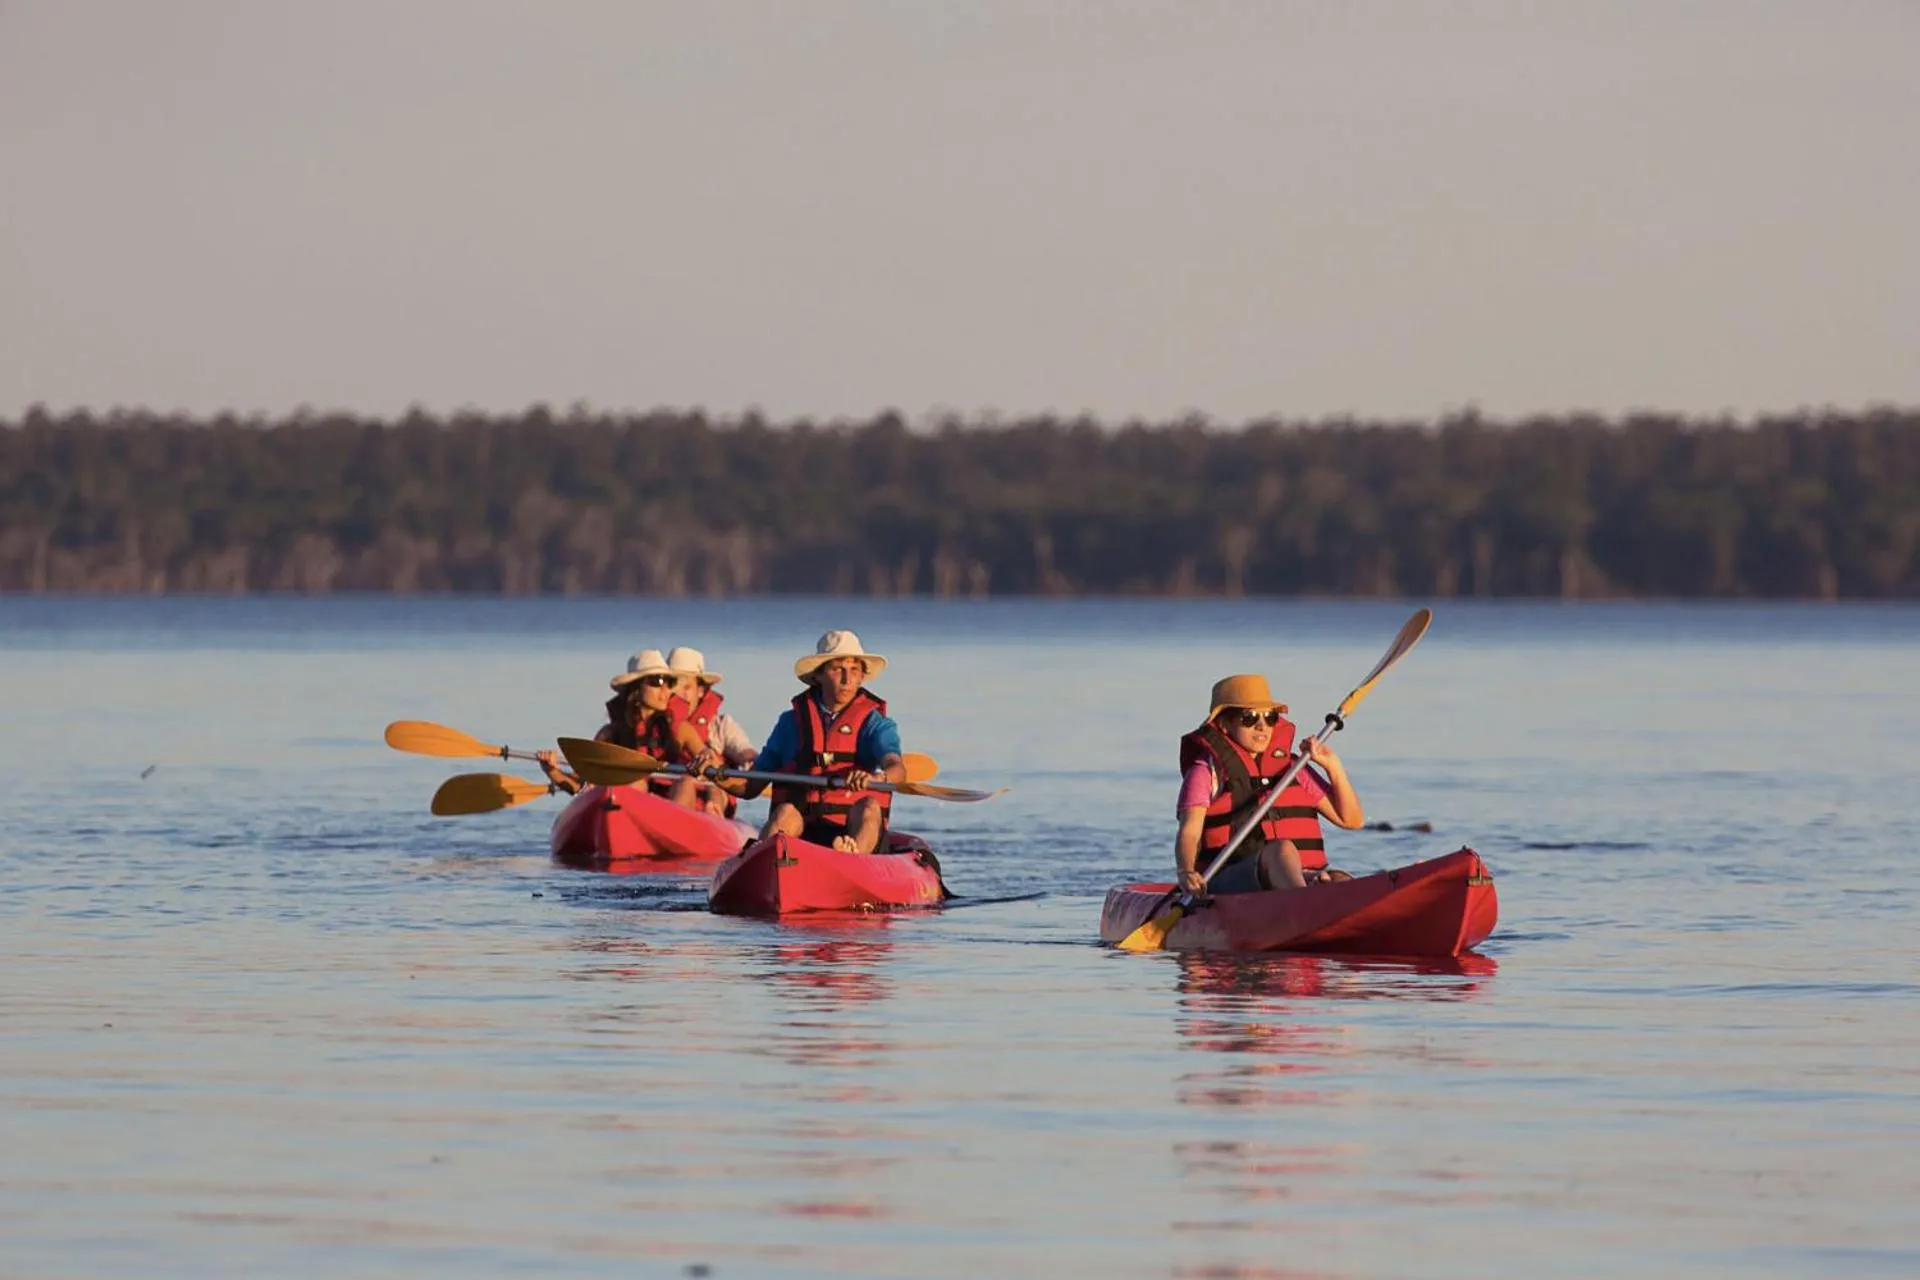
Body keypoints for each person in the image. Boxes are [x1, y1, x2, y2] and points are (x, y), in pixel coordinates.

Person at [1173, 673, 1364, 895]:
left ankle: (1316, 903)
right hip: (1229, 880)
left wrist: (1333, 766)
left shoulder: (1293, 767)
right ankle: (1304, 905)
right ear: (1224, 725)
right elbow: (1189, 832)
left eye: (1270, 717)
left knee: (1338, 879)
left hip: (1295, 879)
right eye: (1249, 718)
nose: (1262, 727)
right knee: (1280, 851)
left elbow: (1351, 820)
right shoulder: (1205, 772)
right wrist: (1186, 872)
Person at [738, 630, 905, 854]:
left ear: (861, 677)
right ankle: (766, 860)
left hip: (849, 828)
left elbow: (896, 767)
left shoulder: (876, 724)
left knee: (869, 807)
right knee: (785, 812)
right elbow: (750, 787)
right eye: (837, 670)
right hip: (802, 827)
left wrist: (878, 777)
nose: (847, 680)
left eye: (854, 670)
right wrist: (716, 775)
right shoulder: (790, 723)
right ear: (819, 675)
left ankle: (852, 857)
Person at [535, 648, 710, 807]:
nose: (665, 689)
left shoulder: (680, 729)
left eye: (669, 682)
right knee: (634, 783)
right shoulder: (610, 734)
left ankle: (672, 832)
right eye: (657, 681)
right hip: (630, 809)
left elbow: (706, 755)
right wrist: (552, 772)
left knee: (686, 783)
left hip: (671, 809)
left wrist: (703, 760)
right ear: (636, 688)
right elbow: (585, 788)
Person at [663, 645, 757, 815]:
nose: (679, 694)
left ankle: (712, 815)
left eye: (687, 687)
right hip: (671, 792)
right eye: (674, 685)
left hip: (712, 791)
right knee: (684, 784)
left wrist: (749, 760)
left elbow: (744, 751)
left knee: (710, 790)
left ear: (701, 690)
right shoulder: (658, 724)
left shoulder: (721, 725)